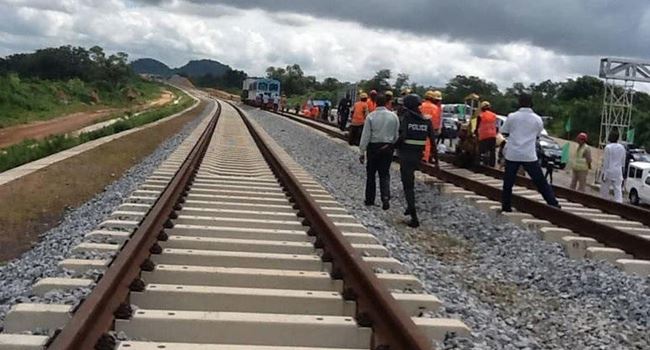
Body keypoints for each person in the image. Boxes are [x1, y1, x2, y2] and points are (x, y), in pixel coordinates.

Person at [501, 94, 560, 212]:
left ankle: (506, 206)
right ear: (531, 103)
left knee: (508, 182)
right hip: (529, 154)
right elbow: (538, 135)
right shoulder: (537, 119)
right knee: (540, 181)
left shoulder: (512, 117)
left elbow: (505, 132)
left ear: (519, 103)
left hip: (513, 154)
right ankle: (553, 203)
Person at [396, 94, 437, 228]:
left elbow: (402, 136)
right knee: (410, 183)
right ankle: (410, 206)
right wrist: (436, 161)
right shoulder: (426, 120)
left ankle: (414, 218)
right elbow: (432, 140)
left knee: (408, 185)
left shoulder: (406, 118)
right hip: (418, 155)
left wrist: (392, 146)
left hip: (406, 154)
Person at [359, 94, 400, 210]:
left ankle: (369, 200)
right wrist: (392, 147)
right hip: (388, 147)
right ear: (387, 103)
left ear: (375, 103)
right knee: (385, 174)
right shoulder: (394, 116)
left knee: (371, 174)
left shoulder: (371, 116)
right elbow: (396, 135)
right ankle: (385, 197)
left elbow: (366, 135)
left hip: (373, 148)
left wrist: (362, 152)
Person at [600, 131, 626, 202]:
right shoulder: (622, 147)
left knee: (604, 189)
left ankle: (603, 202)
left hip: (609, 170)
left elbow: (606, 162)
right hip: (618, 171)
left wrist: (603, 174)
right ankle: (619, 203)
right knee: (618, 190)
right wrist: (622, 172)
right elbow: (623, 161)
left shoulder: (608, 147)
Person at [475, 101, 498, 167]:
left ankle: (477, 165)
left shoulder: (480, 115)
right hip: (493, 135)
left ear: (482, 108)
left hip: (484, 135)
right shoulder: (494, 115)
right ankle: (492, 165)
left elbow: (477, 126)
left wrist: (475, 133)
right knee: (492, 151)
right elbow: (496, 125)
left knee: (479, 151)